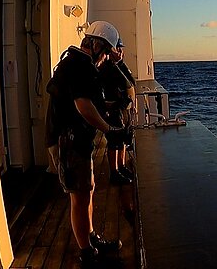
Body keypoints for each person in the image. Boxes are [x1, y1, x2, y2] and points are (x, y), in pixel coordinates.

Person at [45, 20, 127, 268]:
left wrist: (112, 108)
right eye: (106, 53)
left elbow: (89, 101)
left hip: (76, 140)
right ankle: (86, 253)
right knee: (79, 197)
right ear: (97, 46)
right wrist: (109, 129)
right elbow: (83, 106)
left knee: (87, 189)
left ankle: (90, 238)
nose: (105, 60)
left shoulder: (79, 64)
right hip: (69, 141)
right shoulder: (79, 66)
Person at [99, 37, 136, 185]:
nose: (120, 51)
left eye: (121, 48)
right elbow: (126, 82)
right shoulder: (107, 67)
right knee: (114, 141)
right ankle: (114, 172)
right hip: (112, 109)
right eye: (117, 48)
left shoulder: (117, 66)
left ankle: (121, 166)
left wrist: (120, 63)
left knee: (123, 139)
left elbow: (131, 81)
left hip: (122, 108)